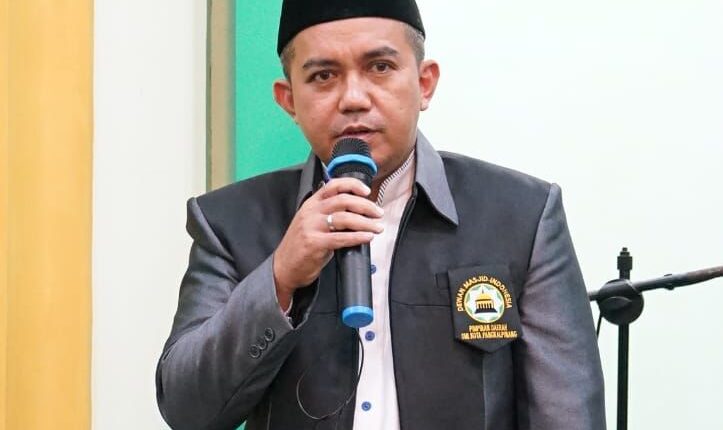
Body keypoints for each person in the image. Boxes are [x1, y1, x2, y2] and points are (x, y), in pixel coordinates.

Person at [156, 1, 606, 429]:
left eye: (380, 67)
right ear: (288, 99)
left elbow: (566, 414)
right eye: (323, 76)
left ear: (424, 83)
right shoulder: (230, 223)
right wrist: (279, 278)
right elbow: (186, 409)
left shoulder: (521, 216)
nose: (353, 98)